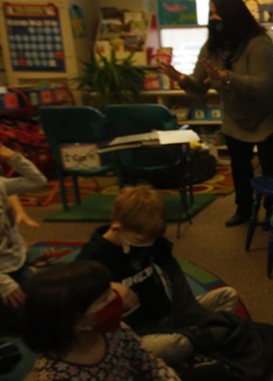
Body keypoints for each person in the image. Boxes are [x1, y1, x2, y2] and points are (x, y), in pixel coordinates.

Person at [159, 0, 273, 227]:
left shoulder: (259, 43)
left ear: (232, 15)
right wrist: (180, 79)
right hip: (237, 113)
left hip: (272, 112)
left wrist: (227, 76)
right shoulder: (213, 48)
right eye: (211, 14)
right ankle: (243, 207)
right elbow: (200, 88)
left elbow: (261, 85)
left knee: (270, 160)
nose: (213, 19)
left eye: (217, 14)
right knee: (239, 163)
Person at [76, 184, 239, 367]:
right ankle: (198, 342)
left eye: (152, 239)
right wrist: (112, 290)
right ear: (116, 227)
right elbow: (77, 308)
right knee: (176, 346)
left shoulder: (148, 238)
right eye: (141, 240)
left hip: (169, 315)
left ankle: (197, 341)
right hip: (138, 334)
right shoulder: (93, 258)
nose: (149, 244)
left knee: (228, 295)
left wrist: (188, 312)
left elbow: (177, 281)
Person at [22, 259, 180, 380]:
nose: (116, 298)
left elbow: (150, 364)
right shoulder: (56, 375)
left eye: (111, 290)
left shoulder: (115, 331)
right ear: (74, 322)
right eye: (104, 298)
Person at [0, 142, 48, 335]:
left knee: (41, 309)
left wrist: (13, 157)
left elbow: (38, 181)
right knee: (17, 327)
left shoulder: (1, 185)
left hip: (17, 263)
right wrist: (3, 283)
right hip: (2, 276)